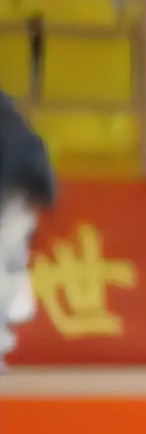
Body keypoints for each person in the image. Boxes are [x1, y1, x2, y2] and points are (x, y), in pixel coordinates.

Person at [0, 91, 56, 368]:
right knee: (10, 265)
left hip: (12, 197)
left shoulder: (7, 119)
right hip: (19, 198)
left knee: (7, 264)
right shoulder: (9, 115)